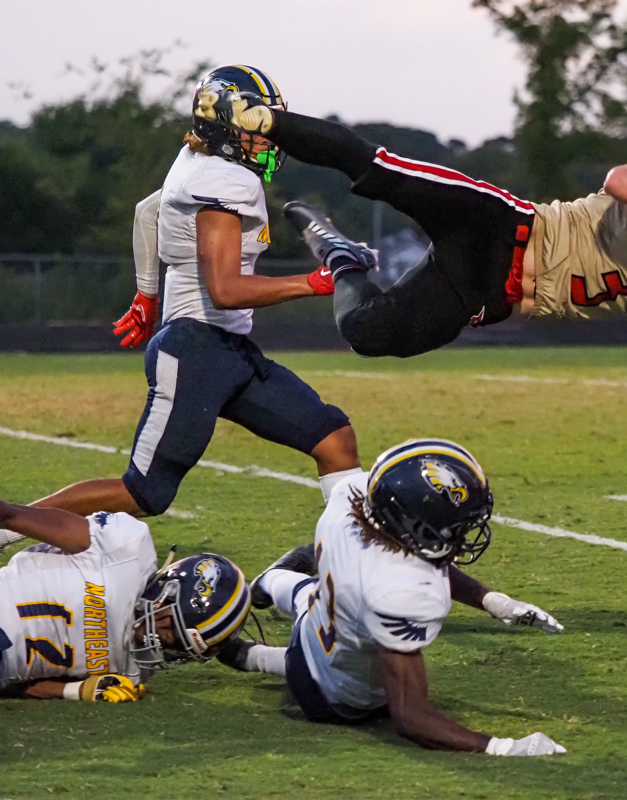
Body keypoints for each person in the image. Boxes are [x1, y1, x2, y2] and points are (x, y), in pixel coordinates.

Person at [193, 90, 627, 544]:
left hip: (488, 291)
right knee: (377, 170)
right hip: (500, 224)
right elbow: (624, 180)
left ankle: (340, 257)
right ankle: (262, 118)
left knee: (370, 334)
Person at [0, 66, 361, 552]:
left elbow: (147, 211)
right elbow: (226, 290)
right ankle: (6, 524)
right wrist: (315, 282)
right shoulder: (224, 180)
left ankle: (352, 554)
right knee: (142, 492)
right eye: (254, 127)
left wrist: (147, 294)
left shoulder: (196, 160)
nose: (267, 137)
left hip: (227, 350)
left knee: (334, 438)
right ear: (223, 126)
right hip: (195, 351)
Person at [217, 438, 567, 756]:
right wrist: (501, 747)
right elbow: (410, 716)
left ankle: (267, 583)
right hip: (333, 698)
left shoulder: (352, 494)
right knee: (331, 662)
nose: (461, 534)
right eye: (454, 526)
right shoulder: (397, 594)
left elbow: (424, 559)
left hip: (318, 615)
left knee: (306, 593)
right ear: (413, 526)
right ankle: (254, 656)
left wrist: (491, 601)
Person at [0, 499, 250, 700]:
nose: (166, 641)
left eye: (181, 647)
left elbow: (16, 684)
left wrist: (76, 691)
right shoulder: (126, 549)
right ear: (168, 589)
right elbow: (12, 515)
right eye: (172, 628)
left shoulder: (133, 671)